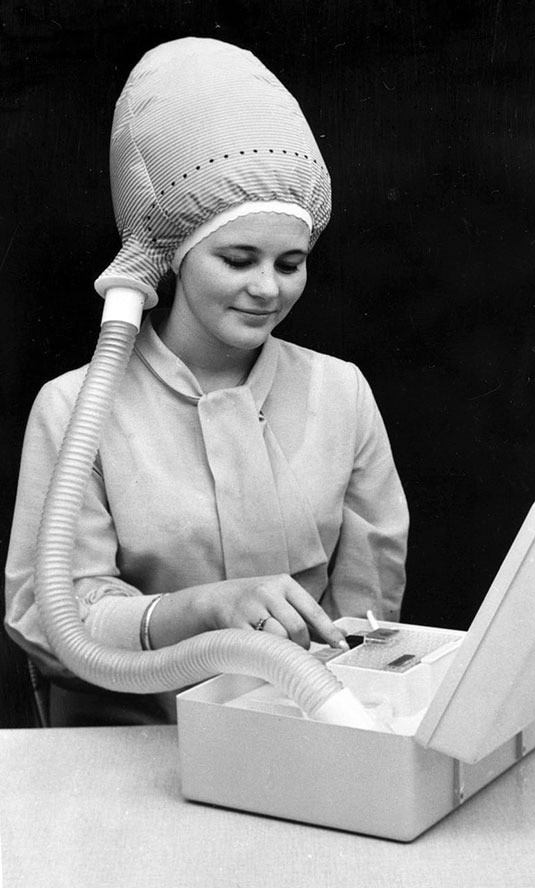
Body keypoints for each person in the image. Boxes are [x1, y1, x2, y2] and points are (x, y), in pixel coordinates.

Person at [4, 38, 409, 725]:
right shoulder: (75, 409)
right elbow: (51, 621)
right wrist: (203, 611)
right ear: (175, 253)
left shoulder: (341, 393)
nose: (266, 288)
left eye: (291, 263)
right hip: (132, 743)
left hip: (305, 727)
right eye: (238, 257)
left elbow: (369, 603)